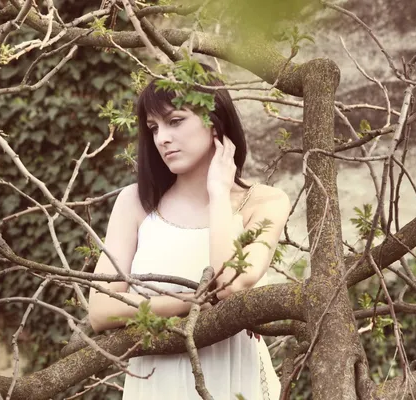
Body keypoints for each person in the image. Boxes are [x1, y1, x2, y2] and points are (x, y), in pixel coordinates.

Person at [88, 65, 290, 400]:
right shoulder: (136, 203)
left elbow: (230, 285)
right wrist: (189, 302)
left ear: (215, 121)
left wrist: (219, 193)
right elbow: (101, 309)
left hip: (234, 375)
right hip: (157, 381)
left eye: (175, 121)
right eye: (153, 128)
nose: (162, 138)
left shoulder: (265, 202)